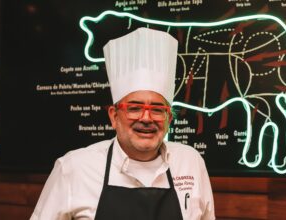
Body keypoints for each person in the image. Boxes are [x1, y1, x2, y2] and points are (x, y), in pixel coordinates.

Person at [31, 27, 215, 220]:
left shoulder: (190, 162)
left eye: (157, 109)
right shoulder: (73, 168)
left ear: (168, 118)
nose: (146, 118)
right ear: (114, 116)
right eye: (134, 108)